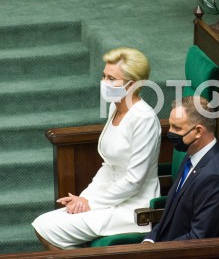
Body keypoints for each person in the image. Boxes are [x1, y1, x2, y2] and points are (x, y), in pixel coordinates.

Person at [32, 47, 161, 250]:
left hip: (133, 208)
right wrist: (85, 198)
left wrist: (91, 203)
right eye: (104, 76)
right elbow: (108, 166)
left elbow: (134, 180)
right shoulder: (115, 107)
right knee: (42, 223)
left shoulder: (144, 119)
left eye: (112, 79)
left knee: (49, 230)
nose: (105, 83)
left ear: (133, 84)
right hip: (108, 198)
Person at [143, 96, 219, 243]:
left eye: (176, 128)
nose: (170, 132)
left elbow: (197, 240)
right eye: (170, 126)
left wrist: (154, 252)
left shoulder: (216, 179)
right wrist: (149, 241)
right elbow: (169, 217)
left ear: (198, 131)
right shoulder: (192, 155)